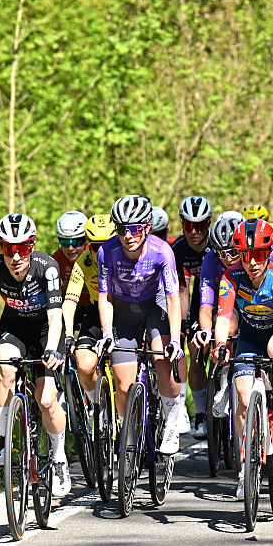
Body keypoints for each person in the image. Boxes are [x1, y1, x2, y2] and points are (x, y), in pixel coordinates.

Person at [0, 214, 70, 496]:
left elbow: (55, 316)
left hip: (46, 331)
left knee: (47, 399)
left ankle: (59, 457)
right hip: (14, 328)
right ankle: (3, 438)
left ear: (32, 245)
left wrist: (51, 348)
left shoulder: (46, 268)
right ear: (1, 248)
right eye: (7, 249)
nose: (15, 256)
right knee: (5, 369)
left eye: (22, 248)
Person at [212, 218, 273, 497]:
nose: (252, 263)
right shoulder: (231, 277)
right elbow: (224, 316)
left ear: (268, 254)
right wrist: (220, 344)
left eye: (259, 256)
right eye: (246, 256)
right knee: (242, 399)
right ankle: (245, 468)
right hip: (250, 336)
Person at [95, 194, 184, 454]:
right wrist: (107, 333)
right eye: (122, 229)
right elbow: (105, 297)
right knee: (123, 384)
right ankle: (128, 429)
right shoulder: (106, 252)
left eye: (134, 229)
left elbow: (172, 298)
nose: (128, 235)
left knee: (163, 358)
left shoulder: (162, 252)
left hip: (153, 307)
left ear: (146, 227)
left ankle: (170, 422)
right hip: (123, 311)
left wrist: (176, 340)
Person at [189, 214, 246, 438]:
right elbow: (205, 305)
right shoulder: (211, 261)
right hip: (225, 306)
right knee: (220, 330)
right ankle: (220, 383)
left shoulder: (250, 258)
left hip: (250, 304)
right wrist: (206, 332)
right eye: (222, 253)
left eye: (233, 251)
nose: (228, 258)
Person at [62, 214, 116, 407]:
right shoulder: (83, 263)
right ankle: (98, 406)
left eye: (108, 246)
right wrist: (69, 335)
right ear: (87, 245)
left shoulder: (127, 258)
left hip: (124, 312)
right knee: (84, 364)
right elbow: (69, 303)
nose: (101, 252)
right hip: (96, 312)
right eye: (95, 247)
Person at [172, 196, 213, 437]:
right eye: (189, 225)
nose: (195, 231)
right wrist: (185, 322)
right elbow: (181, 289)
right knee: (196, 356)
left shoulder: (217, 245)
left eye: (201, 225)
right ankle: (200, 414)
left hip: (221, 295)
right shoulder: (178, 249)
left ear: (209, 224)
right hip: (197, 298)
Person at [52, 211, 90, 326]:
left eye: (76, 242)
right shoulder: (56, 258)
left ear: (86, 240)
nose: (70, 248)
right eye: (64, 242)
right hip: (69, 303)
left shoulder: (95, 254)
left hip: (94, 304)